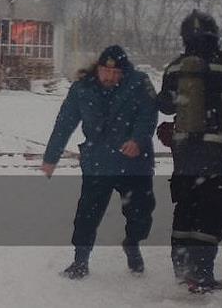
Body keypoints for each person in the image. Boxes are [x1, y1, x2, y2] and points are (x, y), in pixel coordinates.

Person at [41, 45, 158, 279]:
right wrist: (51, 157)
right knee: (87, 214)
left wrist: (137, 140)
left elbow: (148, 115)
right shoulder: (83, 89)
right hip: (99, 161)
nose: (110, 77)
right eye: (106, 71)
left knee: (140, 213)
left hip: (134, 163)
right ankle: (80, 261)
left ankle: (132, 243)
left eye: (116, 73)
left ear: (124, 72)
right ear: (98, 68)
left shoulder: (139, 84)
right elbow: (64, 123)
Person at [157, 10, 222, 293]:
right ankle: (202, 275)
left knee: (185, 208)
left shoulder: (174, 67)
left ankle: (182, 270)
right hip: (216, 152)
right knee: (212, 212)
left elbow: (165, 105)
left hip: (184, 154)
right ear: (214, 34)